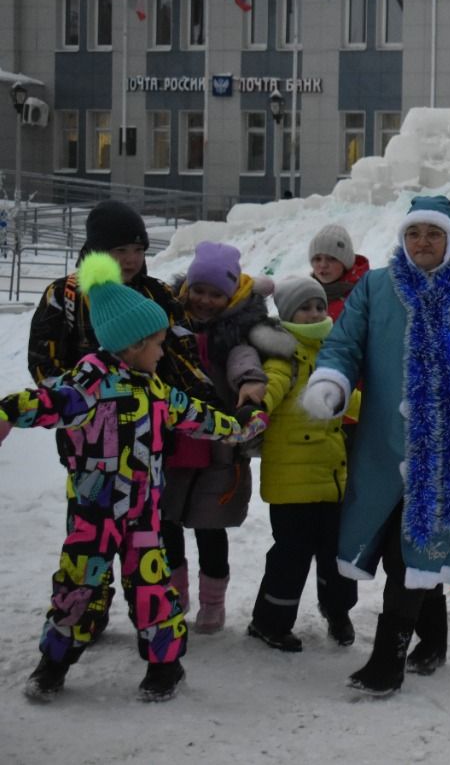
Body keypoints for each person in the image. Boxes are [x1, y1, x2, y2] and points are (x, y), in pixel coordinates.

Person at [1, 253, 263, 703]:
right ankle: (54, 663)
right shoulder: (86, 384)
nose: (164, 352)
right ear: (134, 344)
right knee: (76, 588)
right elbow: (42, 402)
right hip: (92, 516)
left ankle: (165, 667)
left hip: (144, 516)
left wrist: (240, 424)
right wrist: (7, 414)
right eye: (158, 344)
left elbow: (196, 415)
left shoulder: (155, 389)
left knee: (152, 590)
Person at [302, 194, 450, 697]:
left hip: (445, 449)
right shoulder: (375, 289)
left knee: (416, 550)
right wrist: (333, 383)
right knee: (388, 545)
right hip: (382, 443)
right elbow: (345, 343)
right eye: (413, 234)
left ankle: (388, 661)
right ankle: (434, 639)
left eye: (432, 234)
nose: (422, 243)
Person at [26, 199, 213, 640]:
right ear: (95, 250)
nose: (131, 259)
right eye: (120, 249)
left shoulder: (158, 296)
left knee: (148, 527)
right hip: (87, 444)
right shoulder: (66, 296)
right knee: (88, 526)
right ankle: (90, 603)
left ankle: (148, 608)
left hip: (149, 436)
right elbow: (42, 364)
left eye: (138, 248)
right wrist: (84, 396)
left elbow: (185, 359)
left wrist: (202, 404)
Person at [160, 241, 272, 634]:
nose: (205, 300)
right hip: (170, 446)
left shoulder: (235, 331)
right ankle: (175, 595)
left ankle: (212, 603)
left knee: (211, 529)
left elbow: (245, 361)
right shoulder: (168, 325)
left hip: (216, 449)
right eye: (199, 290)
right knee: (166, 524)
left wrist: (252, 385)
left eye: (216, 294)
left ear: (230, 297)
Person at [244, 276, 359, 652]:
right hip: (292, 483)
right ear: (287, 313)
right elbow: (273, 385)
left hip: (331, 475)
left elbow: (347, 397)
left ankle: (337, 611)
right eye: (304, 308)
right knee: (290, 557)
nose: (313, 314)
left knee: (338, 555)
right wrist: (257, 407)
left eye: (319, 306)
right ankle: (269, 622)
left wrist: (376, 409)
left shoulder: (332, 351)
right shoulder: (283, 353)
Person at [309, 224, 370, 322]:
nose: (323, 265)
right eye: (317, 259)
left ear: (345, 263)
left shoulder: (364, 294)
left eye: (332, 259)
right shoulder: (305, 294)